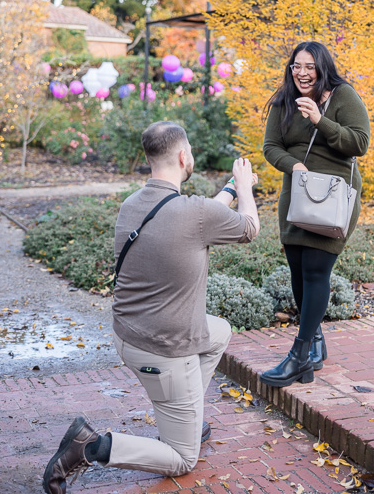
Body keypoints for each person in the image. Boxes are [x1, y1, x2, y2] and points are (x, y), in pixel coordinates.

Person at [43, 121, 260, 494]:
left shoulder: (135, 204)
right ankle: (91, 446)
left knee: (219, 330)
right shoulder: (194, 214)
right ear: (183, 155)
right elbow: (249, 226)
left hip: (128, 335)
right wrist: (243, 188)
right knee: (182, 459)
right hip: (163, 351)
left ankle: (186, 412)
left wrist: (226, 190)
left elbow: (200, 215)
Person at [260, 41, 369, 387]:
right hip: (297, 194)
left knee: (316, 269)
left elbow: (360, 143)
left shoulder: (342, 96)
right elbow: (270, 147)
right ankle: (314, 344)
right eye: (297, 66)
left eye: (309, 66)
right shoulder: (283, 101)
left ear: (322, 68)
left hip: (334, 197)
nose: (302, 73)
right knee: (297, 269)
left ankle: (299, 354)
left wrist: (321, 121)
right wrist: (295, 167)